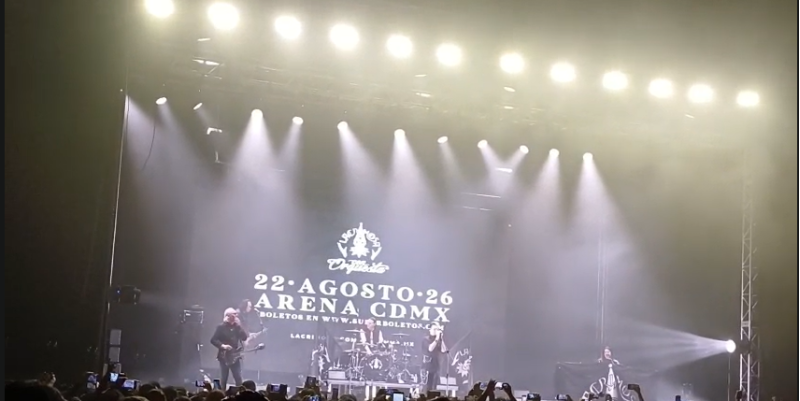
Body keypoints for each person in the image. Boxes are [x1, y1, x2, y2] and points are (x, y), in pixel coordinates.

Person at [210, 308, 248, 387]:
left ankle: (240, 392)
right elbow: (213, 340)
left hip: (235, 355)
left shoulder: (237, 327)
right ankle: (222, 392)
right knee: (224, 378)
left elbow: (244, 337)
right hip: (224, 356)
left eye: (236, 314)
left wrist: (239, 326)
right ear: (228, 316)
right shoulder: (221, 327)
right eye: (233, 314)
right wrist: (223, 346)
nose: (235, 316)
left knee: (238, 377)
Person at [422, 321, 448, 392]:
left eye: (437, 329)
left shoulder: (438, 340)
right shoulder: (426, 339)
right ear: (430, 330)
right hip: (427, 368)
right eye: (434, 329)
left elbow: (444, 350)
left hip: (436, 367)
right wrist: (437, 339)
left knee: (434, 388)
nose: (436, 331)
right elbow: (430, 349)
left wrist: (441, 339)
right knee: (427, 387)